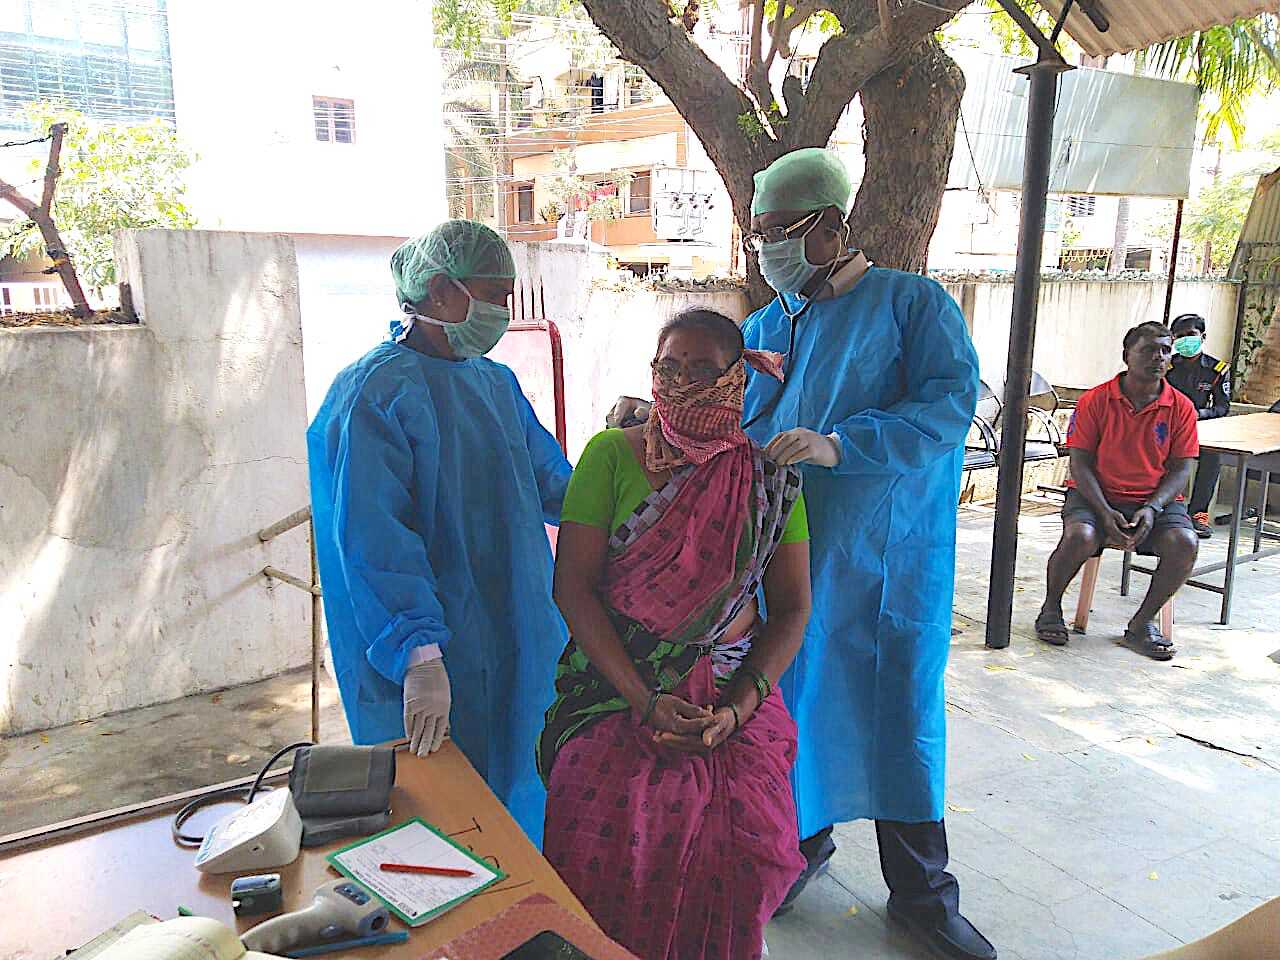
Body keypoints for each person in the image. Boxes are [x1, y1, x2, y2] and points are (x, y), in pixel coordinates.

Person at [541, 309, 812, 960]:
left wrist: (736, 710)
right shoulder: (611, 455)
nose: (683, 383)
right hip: (618, 684)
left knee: (745, 848)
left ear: (736, 381)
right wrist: (645, 701)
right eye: (670, 368)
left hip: (730, 692)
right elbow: (573, 588)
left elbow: (792, 608)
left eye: (702, 370)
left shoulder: (769, 480)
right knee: (602, 830)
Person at [307, 220, 571, 845]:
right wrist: (419, 656)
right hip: (422, 654)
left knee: (518, 799)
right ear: (441, 291)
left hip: (516, 633)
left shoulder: (494, 383)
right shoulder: (373, 394)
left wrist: (638, 462)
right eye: (494, 294)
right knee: (437, 819)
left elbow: (555, 485)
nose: (503, 310)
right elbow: (375, 542)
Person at [1034, 321, 1200, 661]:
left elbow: (1182, 468)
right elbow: (1080, 463)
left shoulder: (1181, 407)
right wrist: (1104, 511)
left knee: (1185, 543)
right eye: (1148, 350)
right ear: (1127, 356)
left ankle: (1141, 624)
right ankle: (1050, 608)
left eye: (1165, 351)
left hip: (1154, 500)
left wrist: (1152, 508)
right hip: (1096, 494)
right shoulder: (1096, 400)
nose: (1158, 357)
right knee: (1080, 536)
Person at [1165, 312, 1231, 538]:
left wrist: (1199, 414)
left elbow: (1222, 407)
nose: (1185, 340)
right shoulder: (1166, 366)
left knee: (1212, 456)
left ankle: (1198, 513)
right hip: (1167, 427)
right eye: (1179, 336)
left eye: (1190, 334)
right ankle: (1164, 506)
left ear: (1202, 336)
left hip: (1198, 428)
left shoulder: (1216, 370)